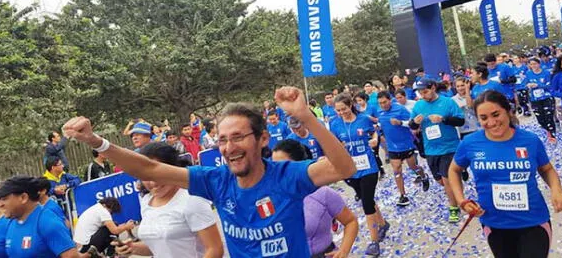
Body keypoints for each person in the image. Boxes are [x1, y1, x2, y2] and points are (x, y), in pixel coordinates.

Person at [62, 86, 357, 258]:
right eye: (223, 140)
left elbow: (344, 167)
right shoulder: (215, 180)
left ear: (263, 139)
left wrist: (305, 116)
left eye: (239, 137)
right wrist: (96, 141)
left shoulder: (287, 175)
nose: (229, 147)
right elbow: (149, 167)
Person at [449, 90, 562, 258]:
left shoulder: (530, 140)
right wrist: (461, 200)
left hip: (533, 221)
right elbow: (454, 170)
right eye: (483, 118)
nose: (491, 122)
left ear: (508, 111)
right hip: (495, 223)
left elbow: (546, 169)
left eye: (496, 114)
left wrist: (557, 190)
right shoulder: (470, 143)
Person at [114, 143, 224, 257]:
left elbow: (215, 249)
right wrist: (132, 248)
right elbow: (158, 247)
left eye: (157, 175)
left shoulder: (191, 199)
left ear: (171, 169)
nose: (153, 183)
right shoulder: (146, 201)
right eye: (146, 177)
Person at [271, 140, 358, 258]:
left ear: (299, 165)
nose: (277, 172)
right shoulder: (268, 197)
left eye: (283, 166)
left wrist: (343, 251)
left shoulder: (322, 194)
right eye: (273, 166)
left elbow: (350, 221)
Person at [331, 93, 389, 256]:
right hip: (350, 169)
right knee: (366, 198)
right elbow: (334, 144)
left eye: (344, 109)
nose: (341, 113)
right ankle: (383, 224)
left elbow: (375, 132)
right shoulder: (335, 124)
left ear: (351, 105)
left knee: (367, 204)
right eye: (338, 110)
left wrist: (374, 139)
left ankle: (374, 241)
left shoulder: (364, 119)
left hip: (368, 167)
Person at [409, 79, 465, 223]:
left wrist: (443, 119)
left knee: (447, 180)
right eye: (420, 92)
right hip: (431, 149)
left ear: (433, 88)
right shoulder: (419, 105)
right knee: (440, 180)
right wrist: (415, 122)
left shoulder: (448, 102)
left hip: (449, 147)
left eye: (425, 91)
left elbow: (460, 121)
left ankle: (454, 208)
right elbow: (412, 126)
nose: (423, 95)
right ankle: (457, 187)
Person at [0, 175, 79, 257]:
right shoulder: (11, 222)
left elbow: (71, 256)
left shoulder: (47, 222)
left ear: (23, 197)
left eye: (4, 199)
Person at [377, 91, 430, 206]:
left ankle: (423, 176)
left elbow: (412, 123)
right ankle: (403, 195)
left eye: (385, 102)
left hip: (406, 145)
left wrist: (400, 122)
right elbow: (380, 125)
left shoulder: (400, 109)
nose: (383, 105)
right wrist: (380, 133)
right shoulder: (379, 112)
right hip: (392, 147)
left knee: (413, 167)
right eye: (380, 103)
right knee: (397, 170)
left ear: (390, 100)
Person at [524, 58, 557, 143]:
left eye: (535, 64)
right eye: (531, 64)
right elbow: (525, 83)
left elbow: (550, 86)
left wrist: (538, 85)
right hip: (535, 99)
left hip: (547, 97)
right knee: (540, 118)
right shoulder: (528, 73)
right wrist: (528, 85)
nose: (533, 66)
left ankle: (552, 135)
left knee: (549, 117)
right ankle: (547, 132)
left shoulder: (546, 73)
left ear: (539, 64)